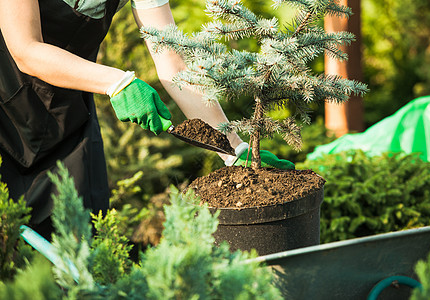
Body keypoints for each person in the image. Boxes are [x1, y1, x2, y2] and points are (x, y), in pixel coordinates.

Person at [0, 0, 294, 239]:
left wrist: (233, 148)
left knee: (82, 241)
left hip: (68, 116)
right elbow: (26, 49)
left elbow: (174, 63)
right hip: (5, 116)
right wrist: (116, 82)